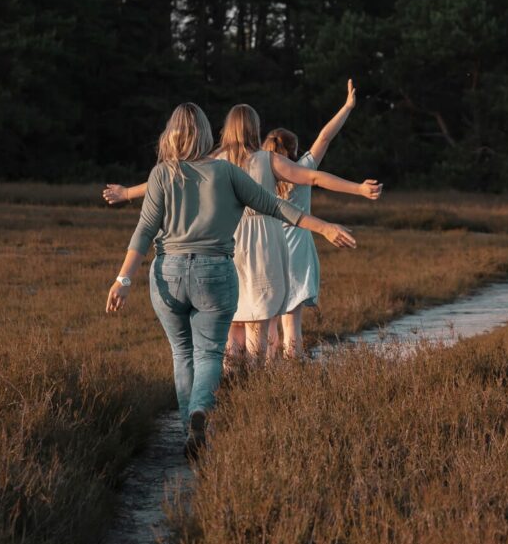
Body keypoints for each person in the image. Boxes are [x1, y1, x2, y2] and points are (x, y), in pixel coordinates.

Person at [104, 102, 356, 459]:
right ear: (207, 134)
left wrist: (123, 280)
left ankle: (185, 426)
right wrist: (325, 227)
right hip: (215, 272)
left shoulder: (162, 173)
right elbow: (278, 207)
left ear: (169, 135)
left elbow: (145, 231)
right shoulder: (225, 172)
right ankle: (200, 413)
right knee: (209, 353)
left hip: (169, 273)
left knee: (183, 353)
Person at [104, 101, 381, 364]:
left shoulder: (212, 158)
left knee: (232, 317)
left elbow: (169, 176)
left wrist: (127, 192)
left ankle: (230, 378)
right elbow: (313, 176)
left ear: (227, 127)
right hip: (264, 242)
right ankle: (254, 380)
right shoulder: (267, 160)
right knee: (260, 315)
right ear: (254, 128)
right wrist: (357, 189)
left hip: (228, 240)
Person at [263, 78, 358, 358]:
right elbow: (325, 137)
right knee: (292, 326)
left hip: (267, 254)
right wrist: (347, 107)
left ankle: (268, 376)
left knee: (267, 323)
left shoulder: (259, 175)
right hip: (297, 255)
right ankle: (295, 370)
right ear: (293, 150)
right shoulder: (303, 169)